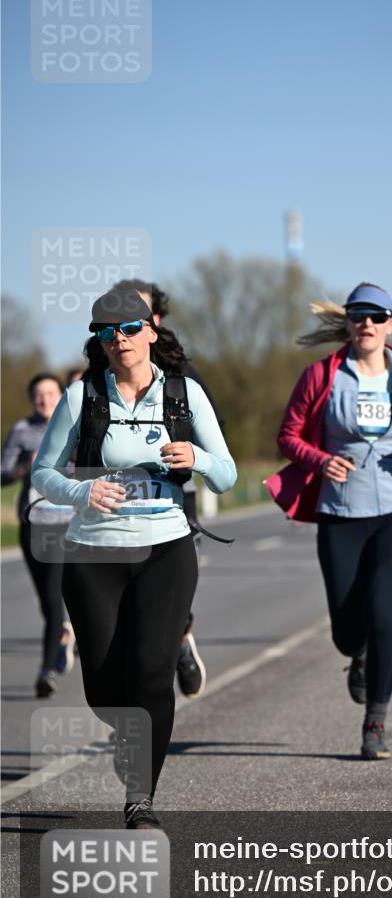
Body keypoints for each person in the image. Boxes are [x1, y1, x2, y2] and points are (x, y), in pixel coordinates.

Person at [32, 288, 236, 828]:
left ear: (150, 330)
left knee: (150, 674)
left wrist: (197, 457)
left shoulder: (184, 395)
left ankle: (140, 799)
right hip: (93, 554)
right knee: (104, 689)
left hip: (165, 550)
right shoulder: (82, 397)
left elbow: (227, 474)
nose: (118, 339)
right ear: (99, 342)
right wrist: (82, 491)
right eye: (107, 332)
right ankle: (128, 729)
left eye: (128, 328)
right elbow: (43, 473)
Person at [265, 283, 392, 760]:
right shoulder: (321, 375)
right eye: (357, 315)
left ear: (391, 325)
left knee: (383, 614)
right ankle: (359, 656)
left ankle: (375, 722)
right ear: (347, 323)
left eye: (376, 316)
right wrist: (321, 460)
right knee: (347, 633)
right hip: (341, 513)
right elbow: (287, 437)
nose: (366, 323)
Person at [111, 278, 225, 700]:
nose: (124, 330)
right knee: (124, 610)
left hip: (173, 503)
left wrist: (187, 451)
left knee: (165, 595)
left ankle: (177, 639)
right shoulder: (99, 374)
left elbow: (216, 437)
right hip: (112, 508)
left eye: (138, 316)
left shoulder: (183, 375)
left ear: (155, 321)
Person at [1, 374, 76, 697]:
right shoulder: (21, 430)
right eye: (38, 394)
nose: (44, 399)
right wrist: (24, 468)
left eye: (50, 393)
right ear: (32, 399)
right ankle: (62, 634)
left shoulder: (74, 426)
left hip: (65, 522)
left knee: (53, 594)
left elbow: (92, 466)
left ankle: (46, 671)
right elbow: (2, 473)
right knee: (46, 599)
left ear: (61, 395)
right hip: (32, 522)